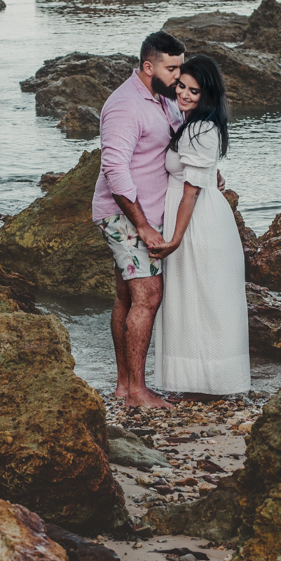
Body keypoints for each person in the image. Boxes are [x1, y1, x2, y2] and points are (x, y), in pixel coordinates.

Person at [93, 31, 185, 409]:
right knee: (148, 296)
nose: (179, 75)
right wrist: (143, 225)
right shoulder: (124, 105)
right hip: (124, 215)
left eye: (180, 67)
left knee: (126, 296)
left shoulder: (164, 98)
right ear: (149, 67)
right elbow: (114, 170)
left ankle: (123, 385)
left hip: (144, 212)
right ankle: (137, 391)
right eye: (172, 68)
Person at [150, 55, 250, 396]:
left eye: (194, 91)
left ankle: (212, 382)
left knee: (204, 298)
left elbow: (191, 191)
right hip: (195, 215)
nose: (184, 94)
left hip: (197, 222)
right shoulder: (194, 123)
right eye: (181, 86)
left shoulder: (200, 128)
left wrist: (175, 239)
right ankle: (198, 381)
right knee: (195, 298)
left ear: (207, 94)